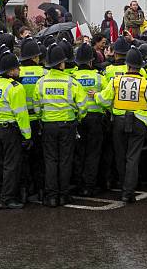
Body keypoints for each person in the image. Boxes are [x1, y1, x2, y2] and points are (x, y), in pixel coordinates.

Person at [94, 47, 147, 202]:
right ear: (140, 66)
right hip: (139, 123)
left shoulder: (116, 82)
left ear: (127, 65)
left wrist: (96, 95)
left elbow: (103, 100)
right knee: (132, 157)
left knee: (120, 156)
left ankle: (123, 185)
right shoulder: (146, 84)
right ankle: (128, 192)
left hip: (118, 122)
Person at [33, 43, 87, 207]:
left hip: (48, 125)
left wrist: (43, 117)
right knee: (65, 160)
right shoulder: (71, 82)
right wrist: (77, 117)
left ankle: (51, 196)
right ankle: (63, 195)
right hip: (67, 125)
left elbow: (37, 106)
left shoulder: (41, 83)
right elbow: (83, 106)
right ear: (62, 63)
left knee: (50, 160)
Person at [0, 49, 32, 209]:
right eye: (17, 68)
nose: (19, 70)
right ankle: (8, 198)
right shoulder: (16, 88)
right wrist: (27, 136)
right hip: (9, 130)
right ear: (11, 71)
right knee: (11, 165)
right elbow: (21, 115)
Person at [71, 43, 107, 196]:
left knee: (79, 153)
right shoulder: (99, 78)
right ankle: (89, 186)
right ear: (91, 61)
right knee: (93, 153)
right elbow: (107, 99)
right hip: (95, 119)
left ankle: (79, 185)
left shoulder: (71, 78)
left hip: (78, 119)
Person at [18, 37, 48, 202]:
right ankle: (41, 190)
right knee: (39, 157)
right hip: (37, 120)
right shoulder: (44, 73)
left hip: (21, 121)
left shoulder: (17, 73)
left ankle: (24, 190)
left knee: (23, 158)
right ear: (35, 57)